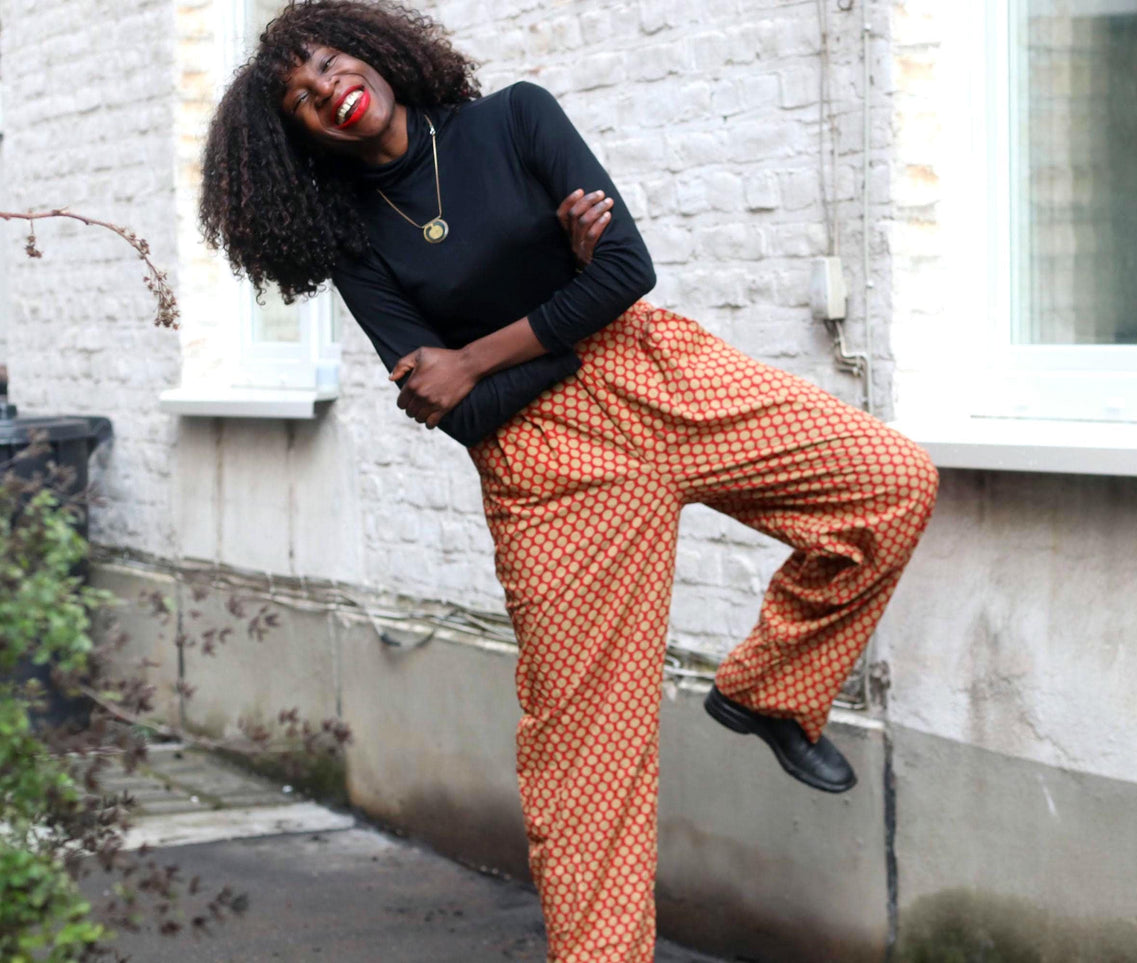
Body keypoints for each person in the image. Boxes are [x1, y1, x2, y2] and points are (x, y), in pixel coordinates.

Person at [199, 2, 939, 960]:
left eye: (329, 60)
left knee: (887, 479)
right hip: (546, 467)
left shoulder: (515, 118)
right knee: (587, 753)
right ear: (295, 136)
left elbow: (627, 270)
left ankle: (768, 689)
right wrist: (567, 303)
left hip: (662, 376)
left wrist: (480, 353)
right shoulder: (355, 243)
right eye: (301, 97)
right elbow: (457, 411)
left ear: (375, 53)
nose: (327, 88)